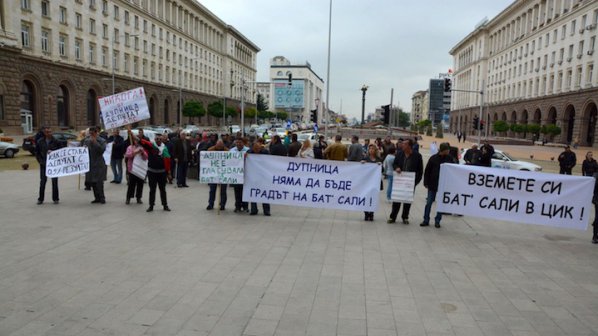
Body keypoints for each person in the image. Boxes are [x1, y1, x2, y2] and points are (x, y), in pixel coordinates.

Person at [388, 139, 423, 224]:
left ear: (409, 146)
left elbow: (420, 170)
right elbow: (394, 164)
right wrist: (396, 168)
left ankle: (405, 217)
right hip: (399, 181)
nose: (402, 145)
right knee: (397, 199)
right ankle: (393, 217)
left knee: (407, 200)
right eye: (402, 144)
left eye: (404, 144)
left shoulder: (417, 156)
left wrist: (415, 182)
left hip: (410, 182)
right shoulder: (399, 154)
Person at [421, 143, 453, 228]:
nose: (448, 151)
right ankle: (426, 220)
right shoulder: (433, 158)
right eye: (447, 149)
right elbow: (427, 171)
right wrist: (426, 182)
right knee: (429, 203)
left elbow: (454, 170)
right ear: (443, 150)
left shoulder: (449, 159)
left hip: (443, 185)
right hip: (432, 184)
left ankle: (437, 220)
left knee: (440, 204)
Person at [140, 133, 171, 212]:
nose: (159, 140)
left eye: (160, 139)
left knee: (163, 189)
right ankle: (151, 206)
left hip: (162, 173)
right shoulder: (151, 147)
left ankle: (165, 205)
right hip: (152, 172)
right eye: (157, 139)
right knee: (152, 190)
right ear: (154, 139)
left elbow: (168, 161)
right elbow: (141, 142)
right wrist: (132, 135)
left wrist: (168, 173)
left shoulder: (165, 148)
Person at [36, 126, 60, 204]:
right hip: (44, 164)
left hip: (54, 165)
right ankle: (40, 199)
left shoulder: (55, 141)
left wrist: (53, 151)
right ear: (44, 133)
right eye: (47, 132)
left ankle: (55, 198)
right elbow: (37, 153)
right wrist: (40, 161)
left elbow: (60, 151)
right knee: (43, 182)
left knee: (54, 182)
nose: (49, 133)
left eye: (50, 131)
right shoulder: (40, 141)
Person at [84, 126, 107, 204]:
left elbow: (101, 150)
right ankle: (96, 197)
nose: (91, 135)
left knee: (99, 182)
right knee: (93, 181)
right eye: (90, 133)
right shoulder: (87, 140)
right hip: (90, 163)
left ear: (96, 132)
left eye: (93, 133)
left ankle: (102, 197)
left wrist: (95, 142)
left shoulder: (102, 140)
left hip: (99, 163)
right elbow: (82, 151)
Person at [248, 142, 271, 216]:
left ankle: (266, 210)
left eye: (258, 149)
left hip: (263, 176)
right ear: (253, 148)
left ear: (260, 148)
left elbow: (271, 162)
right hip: (253, 176)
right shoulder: (249, 152)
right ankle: (254, 209)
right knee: (253, 193)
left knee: (264, 193)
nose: (256, 150)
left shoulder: (265, 152)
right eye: (255, 149)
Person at [124, 133, 147, 205]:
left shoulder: (142, 148)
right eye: (135, 140)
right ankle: (128, 198)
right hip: (132, 169)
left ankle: (139, 198)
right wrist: (134, 153)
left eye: (137, 140)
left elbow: (146, 157)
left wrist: (142, 152)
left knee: (140, 184)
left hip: (140, 169)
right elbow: (127, 155)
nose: (136, 141)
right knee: (131, 184)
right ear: (134, 141)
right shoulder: (130, 147)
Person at [207, 140, 229, 210]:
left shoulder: (227, 151)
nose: (219, 147)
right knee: (212, 190)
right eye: (218, 145)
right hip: (213, 173)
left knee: (223, 191)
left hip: (223, 174)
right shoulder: (210, 150)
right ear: (216, 144)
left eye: (221, 145)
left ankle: (222, 204)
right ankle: (210, 204)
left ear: (223, 145)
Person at [362, 144, 382, 221]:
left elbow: (382, 171)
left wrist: (380, 165)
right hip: (366, 182)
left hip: (375, 183)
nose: (371, 150)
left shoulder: (378, 159)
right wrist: (362, 163)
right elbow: (361, 169)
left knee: (373, 199)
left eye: (373, 149)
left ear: (375, 150)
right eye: (370, 149)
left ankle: (372, 214)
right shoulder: (365, 158)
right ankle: (366, 214)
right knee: (366, 198)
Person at [230, 138, 249, 213]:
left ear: (243, 143)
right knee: (237, 191)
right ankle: (237, 207)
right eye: (237, 142)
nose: (238, 144)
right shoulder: (232, 150)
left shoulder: (248, 150)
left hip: (245, 173)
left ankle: (245, 207)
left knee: (245, 191)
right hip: (236, 174)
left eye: (240, 142)